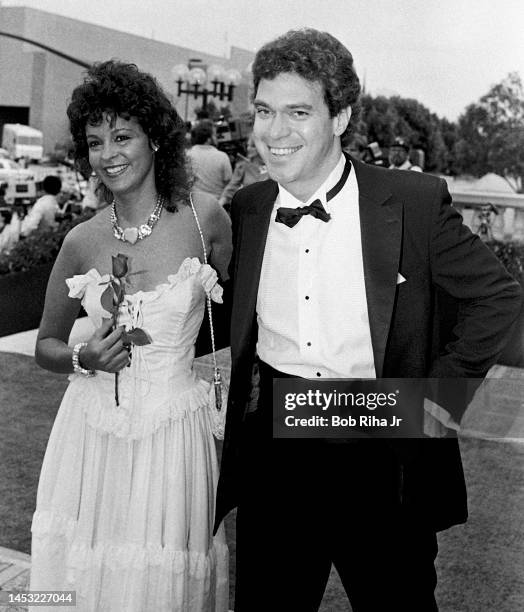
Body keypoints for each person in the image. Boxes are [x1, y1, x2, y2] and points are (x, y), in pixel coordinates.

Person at [214, 28, 522, 611]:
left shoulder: (412, 201)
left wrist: (434, 401)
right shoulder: (249, 208)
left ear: (340, 116)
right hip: (277, 449)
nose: (274, 133)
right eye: (264, 111)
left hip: (381, 440)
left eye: (298, 112)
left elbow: (498, 298)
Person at [30, 60, 232, 612]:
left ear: (156, 139)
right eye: (95, 142)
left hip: (175, 438)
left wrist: (223, 406)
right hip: (92, 436)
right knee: (83, 580)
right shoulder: (81, 241)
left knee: (159, 583)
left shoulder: (206, 221)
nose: (109, 153)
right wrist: (84, 355)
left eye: (123, 135)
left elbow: (233, 328)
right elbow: (45, 345)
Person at [218, 134, 268, 211]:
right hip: (251, 211)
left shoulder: (274, 166)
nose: (248, 149)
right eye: (248, 145)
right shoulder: (242, 166)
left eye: (253, 146)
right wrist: (220, 203)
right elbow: (231, 187)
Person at [187, 120, 233, 200]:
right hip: (218, 205)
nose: (217, 138)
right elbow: (229, 184)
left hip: (195, 204)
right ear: (208, 139)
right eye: (215, 135)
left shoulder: (187, 155)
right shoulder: (222, 157)